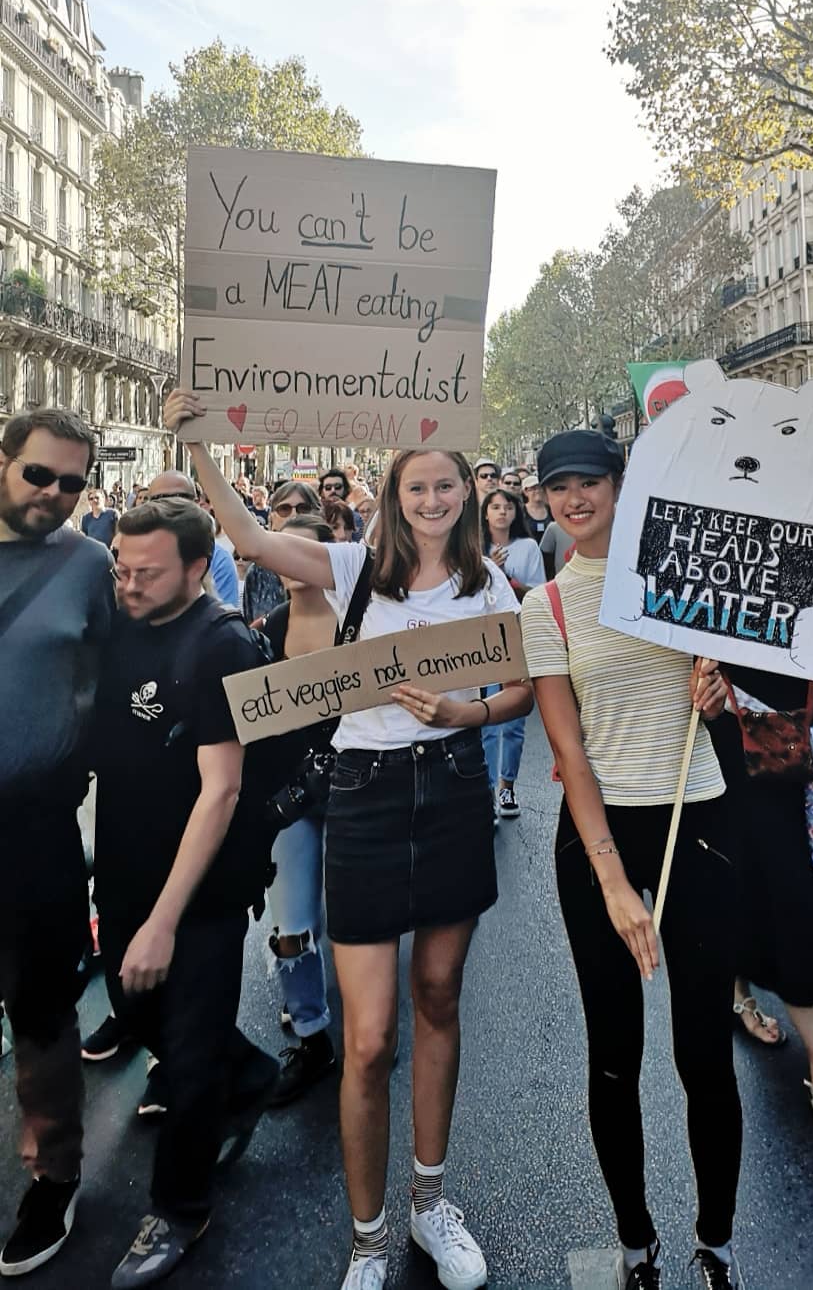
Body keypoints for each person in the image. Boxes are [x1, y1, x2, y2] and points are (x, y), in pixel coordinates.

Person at [163, 387, 533, 1290]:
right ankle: (368, 1235)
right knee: (367, 1039)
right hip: (363, 804)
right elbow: (249, 541)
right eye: (419, 487)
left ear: (467, 493)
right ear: (395, 494)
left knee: (439, 997)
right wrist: (202, 441)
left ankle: (430, 1203)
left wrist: (465, 709)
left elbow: (520, 690)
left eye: (448, 485)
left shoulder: (492, 586)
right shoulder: (349, 563)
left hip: (451, 792)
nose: (435, 499)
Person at [521, 429, 742, 1290]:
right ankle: (637, 1242)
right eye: (558, 488)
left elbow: (719, 697)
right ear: (544, 499)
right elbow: (568, 753)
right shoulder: (548, 606)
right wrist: (613, 884)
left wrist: (716, 691)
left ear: (620, 485)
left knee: (703, 1056)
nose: (574, 499)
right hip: (599, 835)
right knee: (614, 1054)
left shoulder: (683, 574)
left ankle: (717, 1244)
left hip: (702, 819)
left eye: (589, 483)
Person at [92, 497, 281, 1286]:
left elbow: (222, 790)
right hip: (125, 867)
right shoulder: (122, 620)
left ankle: (180, 1207)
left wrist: (165, 920)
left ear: (198, 570)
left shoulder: (221, 647)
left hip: (200, 885)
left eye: (147, 573)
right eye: (120, 569)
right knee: (135, 1008)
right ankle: (249, 1075)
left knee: (189, 1040)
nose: (129, 584)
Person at [0, 409, 114, 1278]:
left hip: (35, 821)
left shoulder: (90, 566)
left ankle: (55, 1173)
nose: (56, 496)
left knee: (41, 1008)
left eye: (72, 483)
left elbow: (107, 684)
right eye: (40, 475)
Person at [712, 616, 813, 1158]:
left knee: (803, 893)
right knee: (759, 883)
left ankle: (751, 997)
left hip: (806, 735)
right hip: (736, 738)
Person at [258, 514, 343, 1106]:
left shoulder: (361, 623)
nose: (290, 562)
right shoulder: (268, 629)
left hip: (360, 794)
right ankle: (312, 1036)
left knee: (365, 928)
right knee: (292, 930)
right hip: (292, 799)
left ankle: (370, 1027)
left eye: (302, 550)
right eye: (280, 549)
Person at [479, 489, 546, 819]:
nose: (502, 512)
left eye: (507, 507)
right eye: (495, 507)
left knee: (514, 722)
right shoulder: (473, 548)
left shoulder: (528, 547)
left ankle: (507, 786)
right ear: (485, 513)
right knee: (488, 719)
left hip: (517, 637)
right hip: (482, 642)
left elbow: (537, 593)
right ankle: (489, 791)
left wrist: (507, 578)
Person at [144, 472, 239, 607]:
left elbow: (224, 617)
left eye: (179, 498)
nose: (170, 506)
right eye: (159, 499)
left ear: (195, 503)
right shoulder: (134, 553)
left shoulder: (218, 558)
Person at [242, 482, 322, 625]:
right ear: (271, 518)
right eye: (284, 509)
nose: (294, 515)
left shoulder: (330, 565)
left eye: (303, 508)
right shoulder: (257, 573)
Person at [522, 474, 552, 540]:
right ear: (525, 492)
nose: (538, 491)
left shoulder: (551, 509)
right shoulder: (521, 511)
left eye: (540, 487)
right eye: (533, 489)